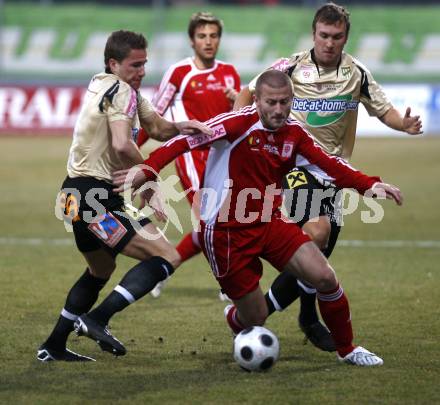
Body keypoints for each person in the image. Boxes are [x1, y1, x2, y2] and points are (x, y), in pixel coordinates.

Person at [107, 69, 403, 366]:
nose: (278, 110)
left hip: (269, 222)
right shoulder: (235, 124)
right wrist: (147, 170)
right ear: (256, 100)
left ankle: (347, 349)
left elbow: (330, 164)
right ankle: (237, 318)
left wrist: (369, 184)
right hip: (225, 234)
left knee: (324, 276)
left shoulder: (294, 134)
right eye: (271, 102)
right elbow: (181, 142)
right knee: (256, 316)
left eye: (285, 102)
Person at [233, 2, 422, 352]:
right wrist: (240, 125)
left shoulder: (356, 73)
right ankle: (253, 315)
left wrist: (404, 124)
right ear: (313, 34)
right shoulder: (290, 65)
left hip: (334, 172)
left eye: (336, 37)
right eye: (324, 35)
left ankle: (299, 316)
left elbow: (383, 110)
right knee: (316, 232)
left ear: (346, 37)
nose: (329, 43)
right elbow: (249, 91)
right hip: (296, 166)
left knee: (320, 251)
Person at [37, 30, 212, 362]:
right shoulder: (121, 92)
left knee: (100, 270)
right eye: (135, 65)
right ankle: (96, 319)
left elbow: (157, 128)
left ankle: (54, 344)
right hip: (93, 198)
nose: (142, 71)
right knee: (166, 256)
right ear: (114, 63)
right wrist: (150, 179)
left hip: (74, 197)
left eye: (144, 64)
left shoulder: (108, 85)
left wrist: (184, 124)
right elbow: (121, 143)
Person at [136, 12, 241, 299]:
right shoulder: (179, 73)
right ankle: (229, 283)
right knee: (208, 220)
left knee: (222, 220)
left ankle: (161, 268)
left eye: (213, 36)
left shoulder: (229, 72)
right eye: (202, 36)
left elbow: (239, 116)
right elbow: (153, 116)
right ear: (192, 41)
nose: (208, 41)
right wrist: (135, 148)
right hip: (191, 154)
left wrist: (240, 97)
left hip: (221, 156)